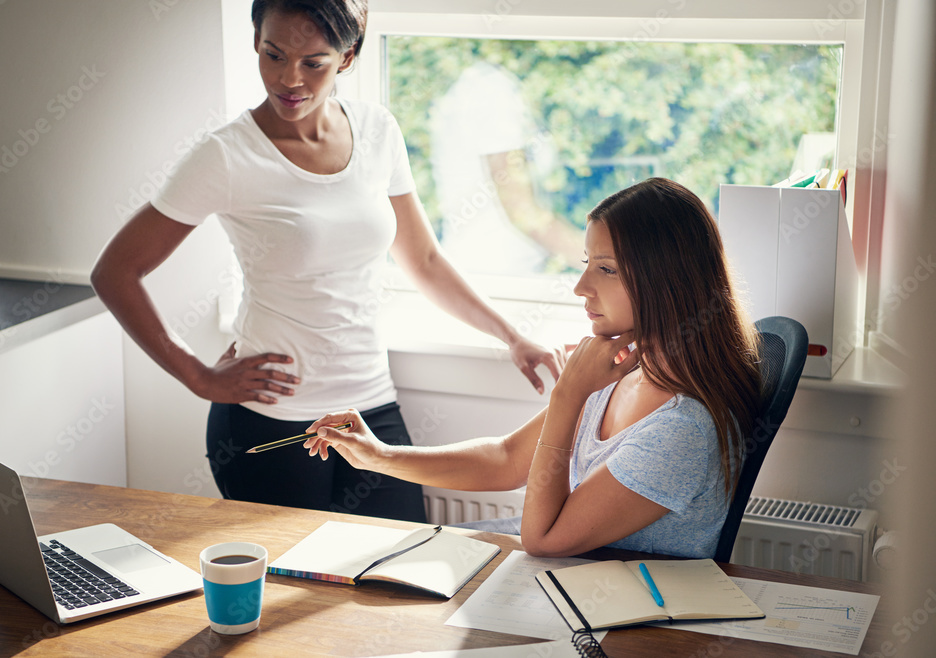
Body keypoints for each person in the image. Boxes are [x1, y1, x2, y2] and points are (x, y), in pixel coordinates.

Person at [89, 0, 561, 523]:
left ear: (348, 57)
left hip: (371, 407)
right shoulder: (226, 155)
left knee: (400, 582)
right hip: (269, 419)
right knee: (291, 599)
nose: (289, 79)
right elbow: (115, 271)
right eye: (274, 55)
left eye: (313, 62)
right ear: (255, 41)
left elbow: (423, 259)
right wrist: (198, 376)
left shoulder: (378, 130)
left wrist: (511, 335)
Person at [303, 178, 764, 558]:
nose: (581, 286)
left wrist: (567, 395)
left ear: (667, 282)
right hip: (569, 582)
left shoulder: (684, 428)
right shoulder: (622, 370)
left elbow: (543, 540)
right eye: (587, 263)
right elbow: (506, 459)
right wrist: (379, 455)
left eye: (606, 270)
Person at [429, 61, 585, 275]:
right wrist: (611, 263)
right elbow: (522, 210)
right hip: (494, 274)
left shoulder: (501, 87)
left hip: (511, 273)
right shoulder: (490, 89)